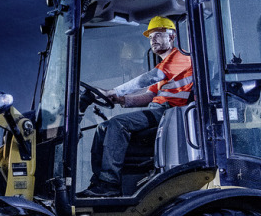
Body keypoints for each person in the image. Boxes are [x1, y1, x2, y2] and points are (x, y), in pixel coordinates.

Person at [77, 16, 192, 198]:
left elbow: (148, 79)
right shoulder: (164, 65)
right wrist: (120, 99)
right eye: (151, 37)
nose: (153, 40)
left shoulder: (181, 58)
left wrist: (114, 90)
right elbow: (149, 96)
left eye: (158, 34)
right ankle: (99, 182)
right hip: (157, 111)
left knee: (118, 124)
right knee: (103, 127)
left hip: (168, 113)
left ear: (172, 36)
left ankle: (110, 183)